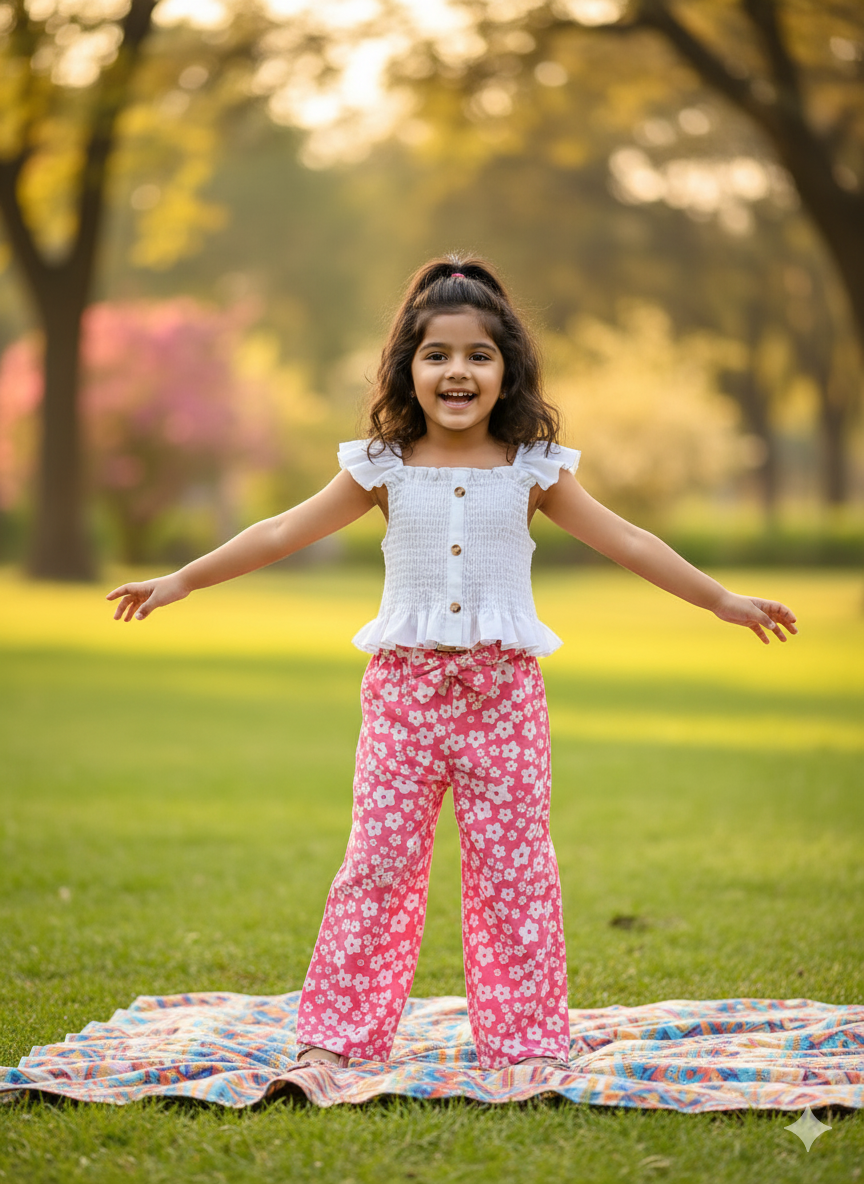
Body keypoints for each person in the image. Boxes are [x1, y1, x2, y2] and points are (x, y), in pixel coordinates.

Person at [107, 255, 797, 1073]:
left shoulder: (534, 470)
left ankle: (525, 1042)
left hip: (505, 700)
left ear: (509, 370)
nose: (457, 371)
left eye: (479, 354)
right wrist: (183, 580)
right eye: (437, 354)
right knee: (377, 865)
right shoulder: (382, 467)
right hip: (403, 698)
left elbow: (630, 540)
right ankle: (340, 1039)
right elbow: (279, 530)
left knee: (515, 871)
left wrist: (720, 599)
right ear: (409, 367)